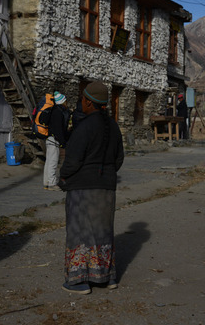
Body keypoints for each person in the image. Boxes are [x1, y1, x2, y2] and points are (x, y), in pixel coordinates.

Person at [58, 81, 124, 295]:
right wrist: (106, 173)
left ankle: (78, 281)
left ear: (88, 102)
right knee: (102, 231)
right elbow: (119, 159)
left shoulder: (84, 126)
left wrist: (63, 176)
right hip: (106, 189)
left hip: (83, 189)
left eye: (82, 100)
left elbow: (72, 161)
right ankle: (106, 278)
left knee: (80, 231)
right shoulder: (113, 126)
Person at [43, 91, 70, 191]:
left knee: (49, 161)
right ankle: (52, 183)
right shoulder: (58, 112)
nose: (66, 103)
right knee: (53, 162)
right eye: (65, 101)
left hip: (49, 138)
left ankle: (46, 182)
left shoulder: (54, 111)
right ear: (62, 102)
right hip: (54, 140)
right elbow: (59, 129)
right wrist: (63, 142)